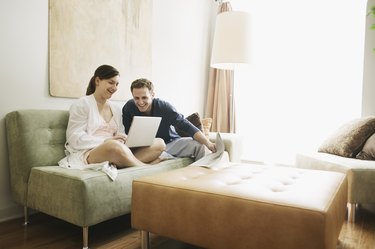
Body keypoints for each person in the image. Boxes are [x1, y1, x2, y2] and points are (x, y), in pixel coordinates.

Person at [61, 65, 166, 169]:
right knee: (113, 146)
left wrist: (124, 139)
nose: (115, 88)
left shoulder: (115, 108)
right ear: (97, 81)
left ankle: (126, 161)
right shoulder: (82, 104)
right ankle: (144, 166)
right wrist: (106, 141)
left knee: (159, 143)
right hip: (91, 151)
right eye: (111, 82)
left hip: (116, 149)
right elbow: (74, 138)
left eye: (117, 84)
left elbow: (120, 132)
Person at [122, 78, 216, 160]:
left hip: (171, 143)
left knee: (200, 145)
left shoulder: (164, 107)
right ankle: (163, 156)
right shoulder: (128, 108)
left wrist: (208, 143)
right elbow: (128, 133)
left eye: (144, 97)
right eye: (136, 98)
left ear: (152, 95)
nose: (140, 102)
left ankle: (200, 175)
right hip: (145, 148)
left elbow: (186, 126)